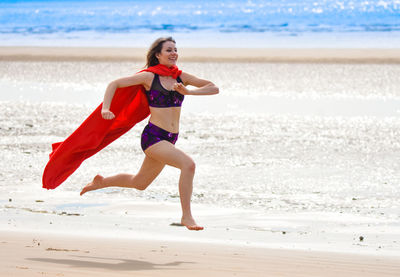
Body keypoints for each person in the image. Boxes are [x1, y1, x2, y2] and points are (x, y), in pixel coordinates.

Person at [79, 37, 219, 231]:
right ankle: (187, 216)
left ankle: (101, 182)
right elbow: (115, 84)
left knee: (140, 183)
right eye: (169, 50)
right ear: (158, 55)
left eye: (175, 50)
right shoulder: (149, 77)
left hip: (170, 138)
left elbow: (213, 88)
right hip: (154, 137)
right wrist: (105, 108)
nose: (173, 53)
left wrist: (188, 92)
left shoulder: (181, 77)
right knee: (188, 165)